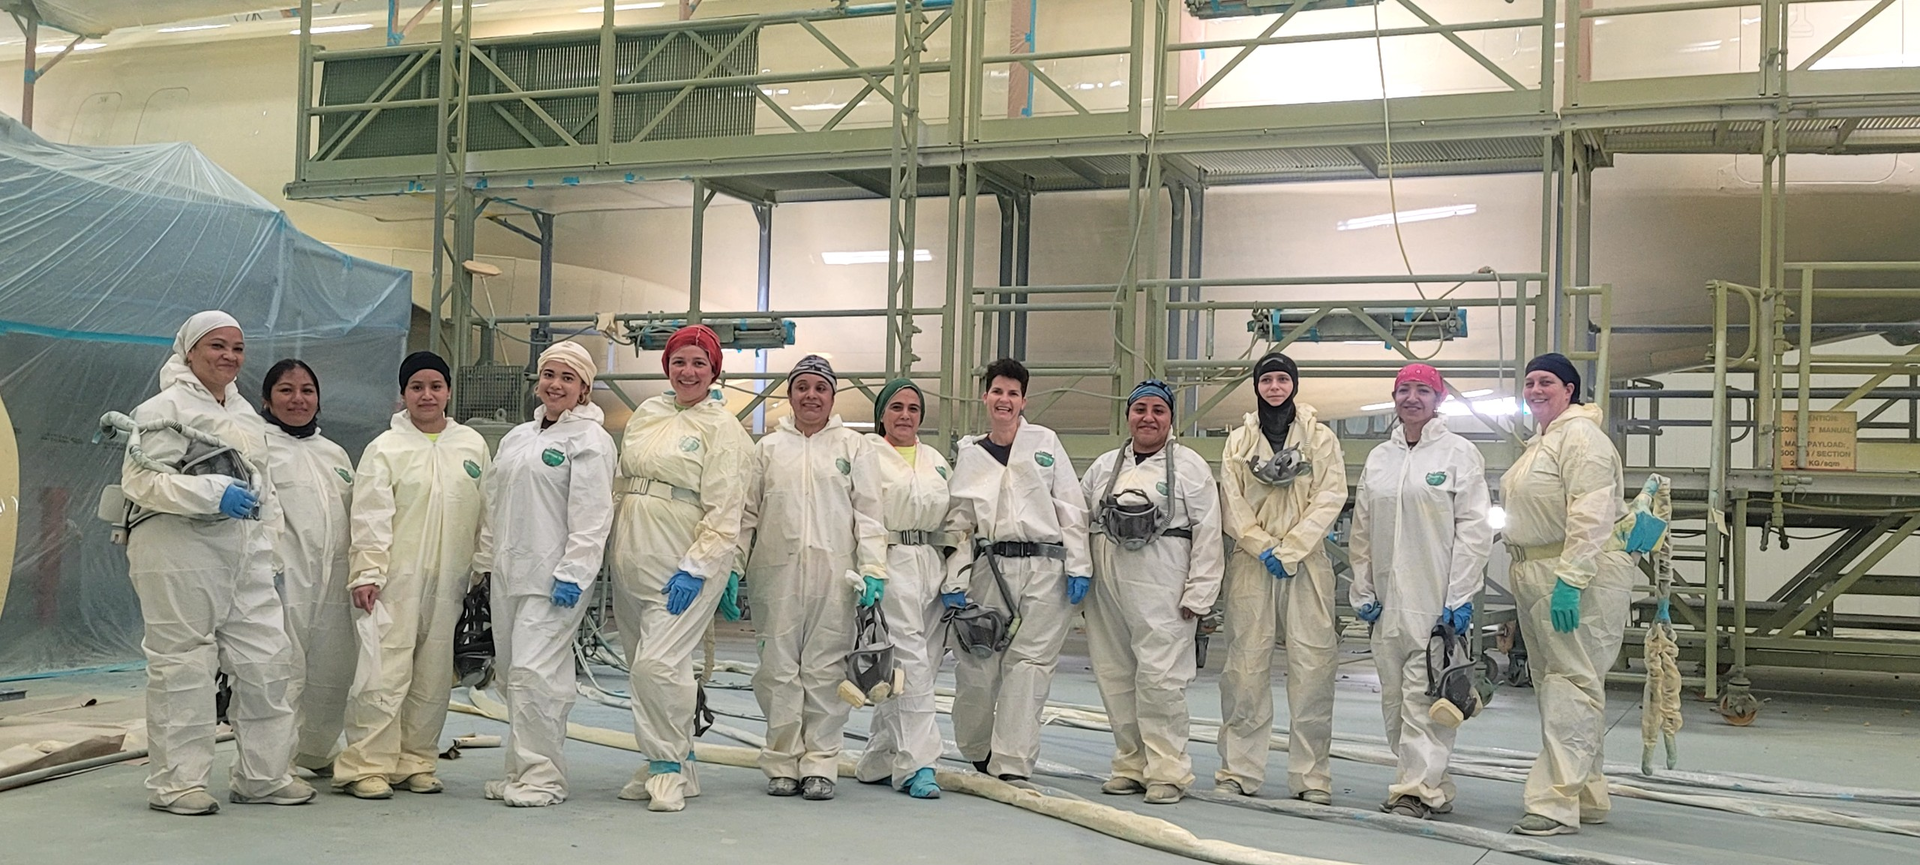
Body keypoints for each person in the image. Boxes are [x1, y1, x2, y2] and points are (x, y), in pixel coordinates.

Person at [122, 311, 314, 815]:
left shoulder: (247, 416)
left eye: (238, 347)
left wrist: (268, 550)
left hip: (244, 556)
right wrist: (211, 493)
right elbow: (142, 483)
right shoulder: (161, 409)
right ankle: (177, 785)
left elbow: (263, 489)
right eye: (217, 346)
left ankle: (263, 775)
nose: (230, 356)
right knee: (183, 666)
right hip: (178, 553)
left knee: (268, 661)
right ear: (189, 352)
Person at [607, 324, 753, 813]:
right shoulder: (647, 413)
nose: (687, 371)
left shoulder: (723, 429)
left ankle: (666, 767)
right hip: (631, 555)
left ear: (714, 371)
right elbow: (622, 479)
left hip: (683, 561)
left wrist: (701, 565)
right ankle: (674, 762)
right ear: (666, 367)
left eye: (699, 363)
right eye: (679, 362)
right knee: (641, 667)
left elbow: (725, 507)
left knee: (659, 664)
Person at [336, 351, 492, 800]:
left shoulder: (471, 445)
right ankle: (366, 764)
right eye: (416, 387)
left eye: (436, 386)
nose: (427, 395)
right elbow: (369, 515)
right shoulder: (385, 448)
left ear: (448, 391)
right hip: (393, 581)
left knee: (433, 674)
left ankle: (415, 760)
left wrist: (482, 567)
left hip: (451, 582)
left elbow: (488, 511)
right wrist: (366, 571)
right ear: (402, 394)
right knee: (382, 672)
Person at [1348, 364, 1493, 819]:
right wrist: (1363, 590)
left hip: (1434, 603)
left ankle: (1416, 789)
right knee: (1395, 701)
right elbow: (1362, 530)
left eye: (1422, 391)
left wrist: (1459, 596)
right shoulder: (1379, 458)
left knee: (1424, 699)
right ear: (1394, 397)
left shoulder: (1458, 454)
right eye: (1404, 390)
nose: (1412, 398)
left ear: (1439, 399)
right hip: (1387, 606)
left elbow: (1474, 530)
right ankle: (1430, 782)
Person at [740, 355, 887, 801]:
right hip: (775, 573)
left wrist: (873, 569)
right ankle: (782, 761)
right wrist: (732, 565)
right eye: (802, 387)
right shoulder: (767, 449)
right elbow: (747, 513)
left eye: (820, 388)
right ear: (790, 395)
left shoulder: (853, 447)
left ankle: (821, 762)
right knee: (778, 669)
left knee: (825, 669)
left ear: (832, 396)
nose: (811, 395)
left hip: (835, 576)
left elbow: (870, 514)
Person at [941, 357, 1091, 783]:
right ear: (985, 396)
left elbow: (1070, 506)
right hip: (990, 568)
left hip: (1045, 570)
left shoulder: (1045, 443)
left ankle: (1012, 763)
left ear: (1024, 401)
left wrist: (1080, 564)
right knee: (977, 665)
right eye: (997, 392)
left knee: (1028, 668)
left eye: (1013, 393)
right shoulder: (970, 454)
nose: (1004, 400)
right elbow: (960, 523)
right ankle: (977, 747)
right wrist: (955, 577)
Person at [1502, 353, 1632, 837]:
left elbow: (1592, 512)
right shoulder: (1544, 441)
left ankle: (1554, 802)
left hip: (1573, 573)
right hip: (1539, 570)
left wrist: (1571, 581)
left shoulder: (1581, 439)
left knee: (1569, 686)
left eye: (1547, 382)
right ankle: (1588, 793)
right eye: (1530, 382)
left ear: (1570, 390)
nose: (1536, 389)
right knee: (1566, 684)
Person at [481, 341, 615, 807]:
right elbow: (494, 504)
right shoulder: (519, 437)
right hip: (509, 573)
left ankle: (543, 777)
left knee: (536, 675)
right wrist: (485, 563)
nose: (555, 385)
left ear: (584, 389)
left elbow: (593, 515)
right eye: (549, 375)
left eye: (567, 379)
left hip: (554, 577)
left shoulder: (590, 441)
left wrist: (574, 573)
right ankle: (520, 771)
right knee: (511, 675)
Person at [1083, 380, 1223, 805]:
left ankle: (1167, 770)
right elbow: (1078, 518)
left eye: (1158, 411)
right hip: (1108, 582)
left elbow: (1209, 531)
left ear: (1170, 419)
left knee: (1160, 679)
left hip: (1164, 580)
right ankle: (1130, 762)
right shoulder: (1106, 466)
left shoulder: (1190, 466)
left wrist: (1200, 593)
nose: (1148, 417)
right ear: (1128, 415)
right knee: (1115, 675)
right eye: (1140, 409)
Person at [1216, 351, 1347, 804]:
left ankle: (1312, 777)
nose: (1274, 387)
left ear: (1294, 384)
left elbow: (1331, 496)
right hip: (1253, 566)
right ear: (1257, 387)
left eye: (1281, 379)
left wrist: (1291, 550)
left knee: (1312, 669)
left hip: (1306, 566)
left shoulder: (1321, 439)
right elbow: (1231, 501)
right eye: (1267, 380)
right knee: (1244, 668)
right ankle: (1239, 769)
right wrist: (1261, 545)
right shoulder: (1238, 441)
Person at [852, 379, 952, 800]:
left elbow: (954, 518)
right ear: (881, 415)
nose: (905, 415)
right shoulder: (868, 453)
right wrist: (872, 568)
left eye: (913, 408)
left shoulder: (935, 460)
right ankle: (919, 763)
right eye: (896, 407)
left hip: (931, 563)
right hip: (891, 563)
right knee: (911, 665)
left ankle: (881, 753)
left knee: (921, 663)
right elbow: (867, 514)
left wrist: (956, 572)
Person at [260, 358, 356, 779]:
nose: (298, 399)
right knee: (284, 668)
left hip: (335, 579)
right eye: (286, 390)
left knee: (334, 668)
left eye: (307, 391)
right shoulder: (259, 447)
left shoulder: (333, 453)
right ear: (267, 399)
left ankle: (316, 750)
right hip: (284, 578)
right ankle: (277, 759)